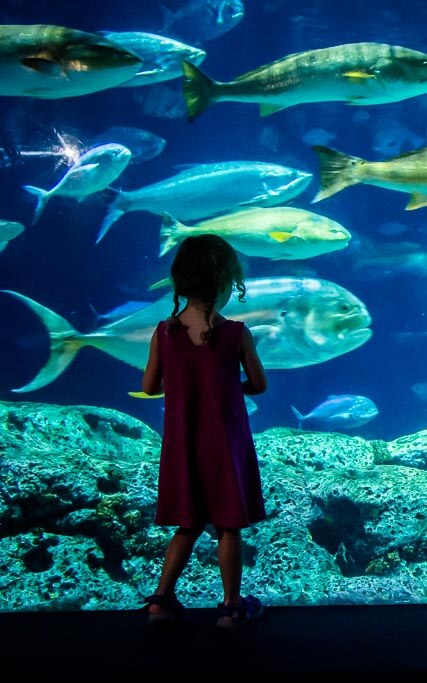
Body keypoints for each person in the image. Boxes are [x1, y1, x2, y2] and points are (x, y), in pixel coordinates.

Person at [139, 234, 269, 629]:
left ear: (180, 283)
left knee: (188, 524)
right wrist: (227, 390)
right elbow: (259, 385)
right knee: (228, 526)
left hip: (183, 446)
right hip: (226, 446)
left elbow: (149, 387)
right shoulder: (235, 334)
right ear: (226, 283)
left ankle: (160, 601)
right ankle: (231, 607)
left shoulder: (164, 332)